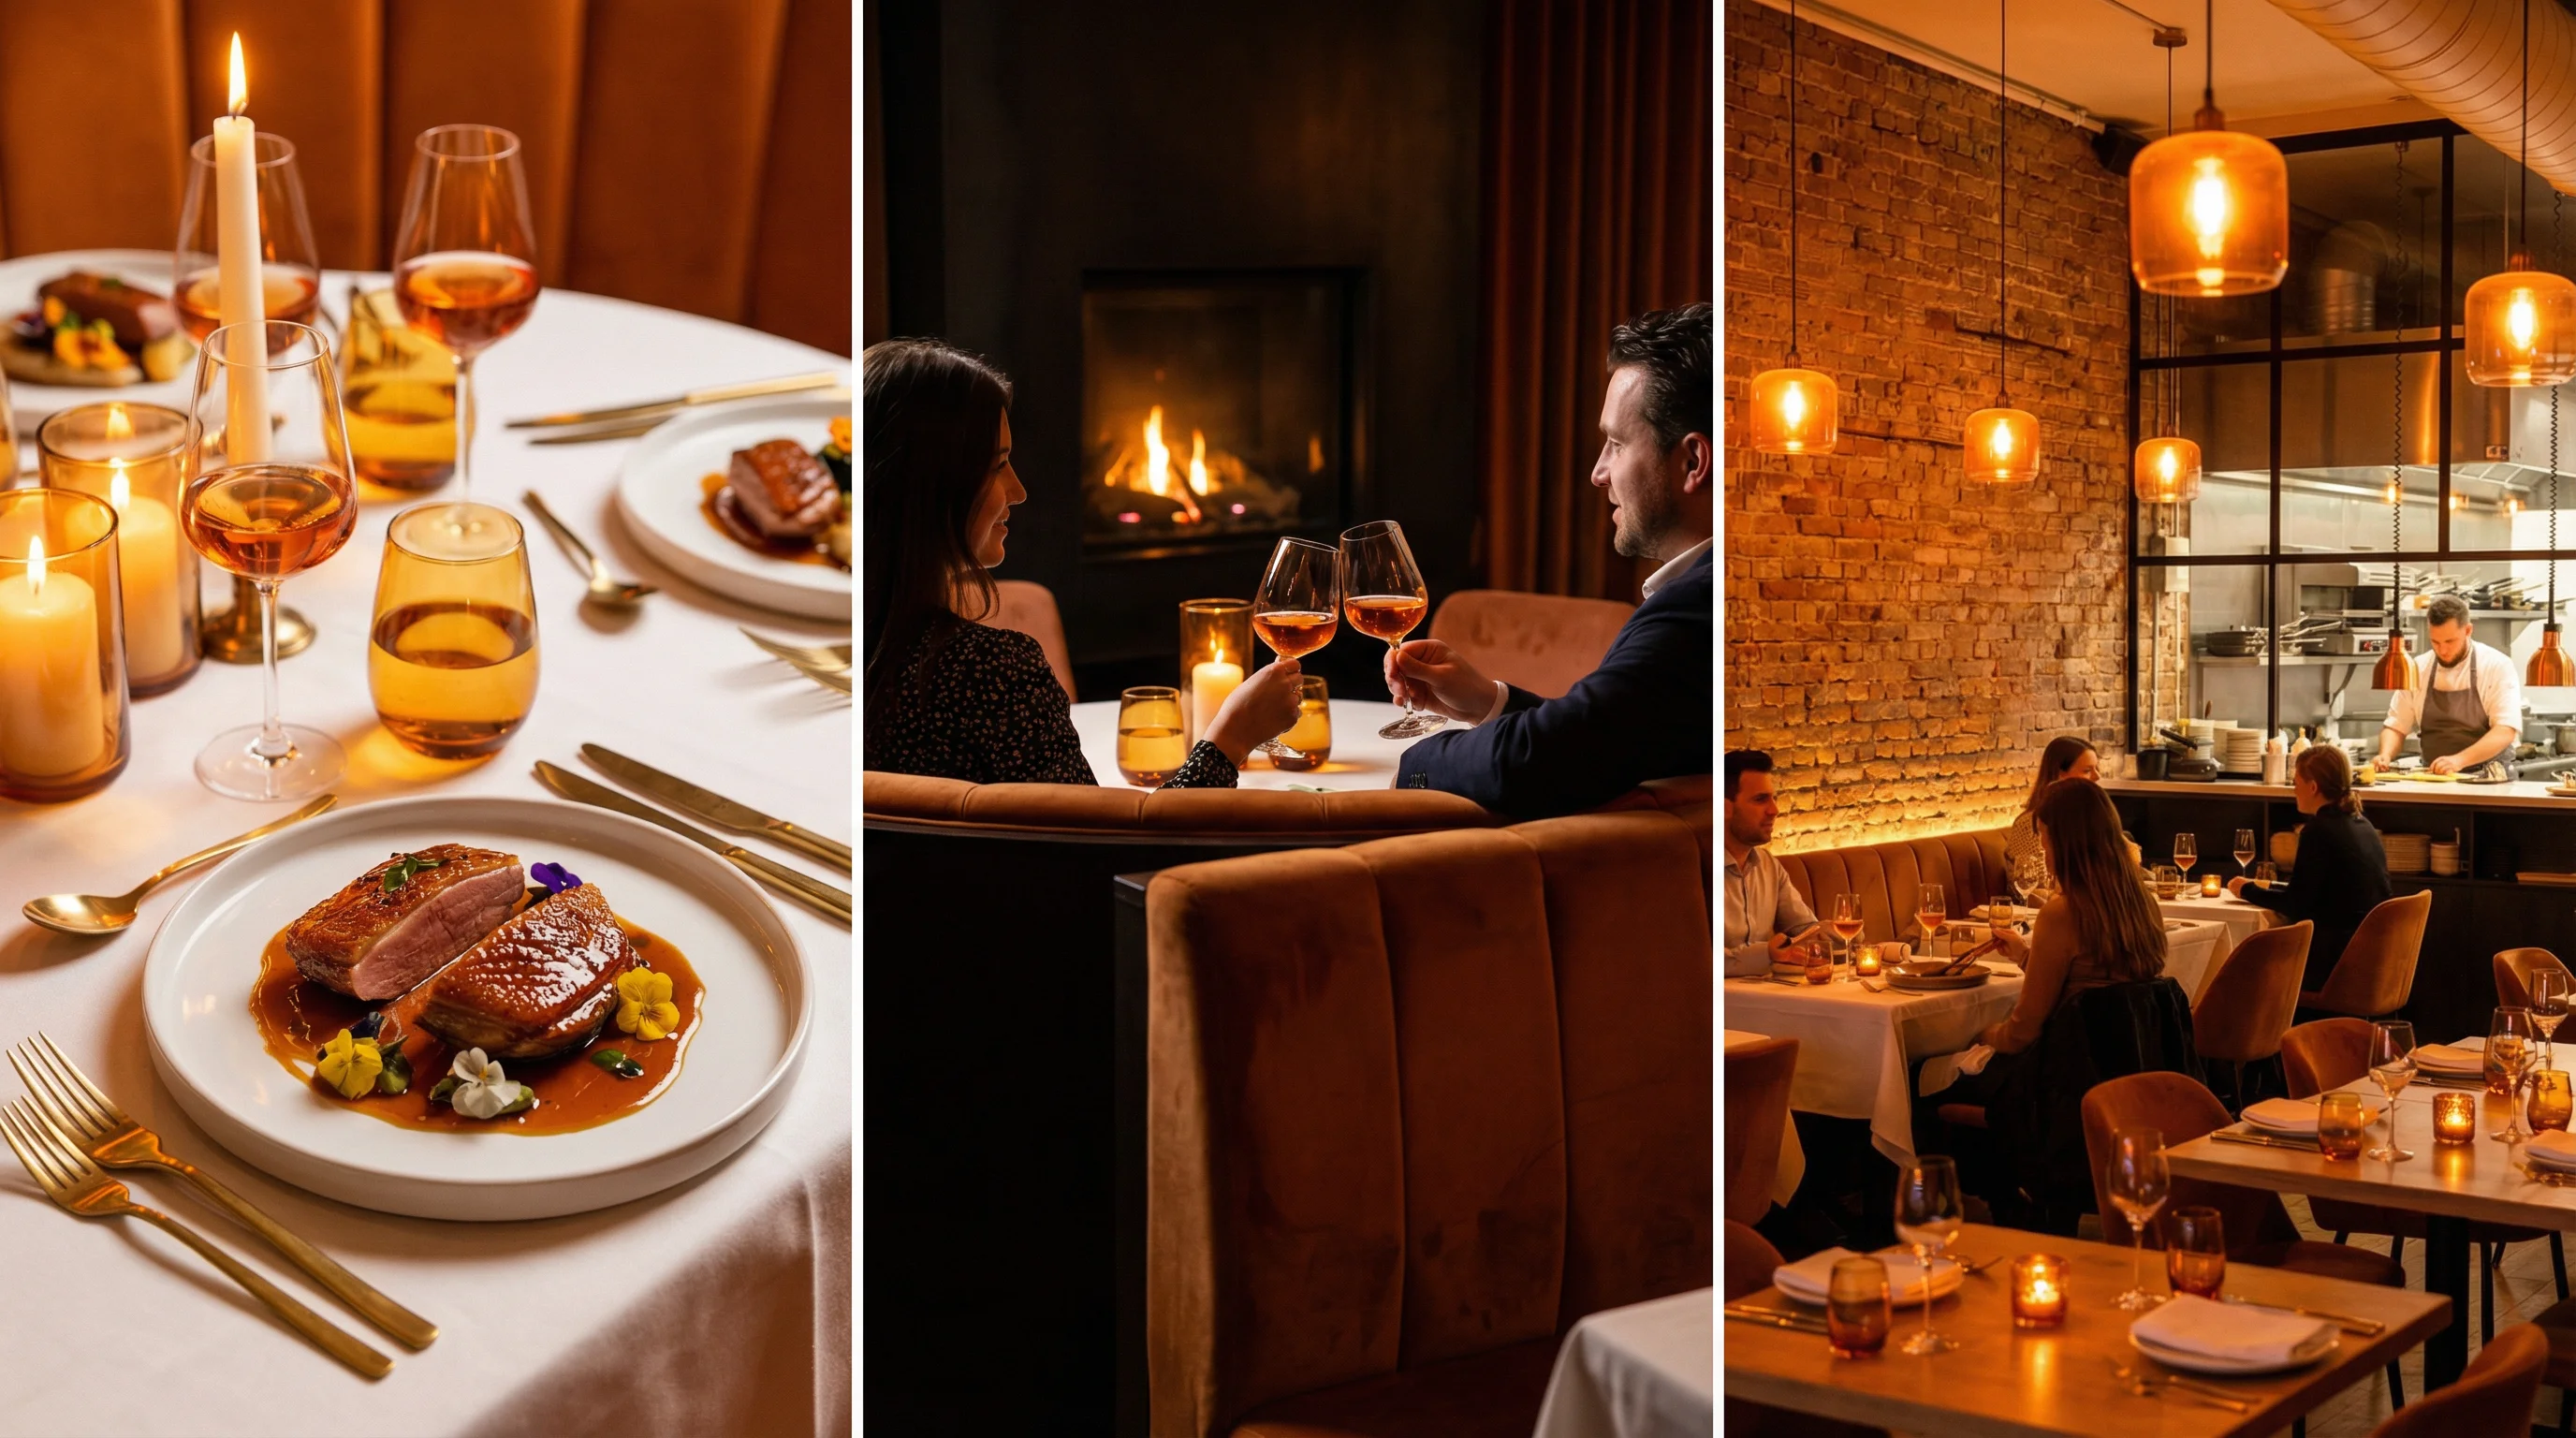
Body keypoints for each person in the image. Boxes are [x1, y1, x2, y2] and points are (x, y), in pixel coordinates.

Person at [861, 339, 1301, 785]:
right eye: (998, 466)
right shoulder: (992, 675)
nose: (1019, 491)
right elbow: (1109, 852)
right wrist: (1229, 738)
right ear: (936, 486)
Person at [1384, 303, 1712, 818]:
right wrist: (1488, 701)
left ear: (1693, 461)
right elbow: (1602, 744)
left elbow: (1533, 764)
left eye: (1617, 443)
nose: (1598, 473)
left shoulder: (1697, 609)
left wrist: (1410, 765)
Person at [1975, 778, 2170, 1057]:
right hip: (2129, 1069)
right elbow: (2090, 986)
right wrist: (2024, 956)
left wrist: (1982, 1034)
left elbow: (2023, 1034)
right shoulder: (2144, 904)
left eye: (2044, 838)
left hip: (2069, 1074)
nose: (2043, 850)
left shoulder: (2062, 913)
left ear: (2064, 842)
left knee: (1928, 1073)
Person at [2228, 744, 2392, 991]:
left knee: (2247, 975)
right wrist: (2269, 886)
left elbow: (2297, 904)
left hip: (2334, 964)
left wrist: (2247, 891)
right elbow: (2319, 892)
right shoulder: (2362, 823)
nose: (2293, 790)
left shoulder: (2318, 831)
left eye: (2296, 782)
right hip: (2370, 956)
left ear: (2313, 787)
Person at [2375, 594, 2523, 779]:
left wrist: (2459, 760)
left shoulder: (2496, 665)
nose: (2442, 650)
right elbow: (2396, 725)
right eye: (2435, 642)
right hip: (2436, 779)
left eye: (2450, 641)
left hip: (2490, 779)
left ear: (2468, 630)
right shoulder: (2418, 668)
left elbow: (2505, 730)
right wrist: (2385, 755)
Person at [1723, 750, 1821, 978]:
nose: (1774, 810)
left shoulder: (1769, 865)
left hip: (1769, 1000)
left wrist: (1836, 933)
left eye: (1773, 798)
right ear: (1725, 808)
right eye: (1760, 800)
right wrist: (1766, 954)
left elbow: (1804, 929)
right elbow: (1696, 960)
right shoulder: (1696, 869)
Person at [2004, 737, 2100, 903]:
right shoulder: (2032, 824)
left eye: (2097, 769)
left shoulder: (2087, 818)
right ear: (2060, 774)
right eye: (2087, 770)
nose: (2097, 777)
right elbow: (2037, 888)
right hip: (2044, 914)